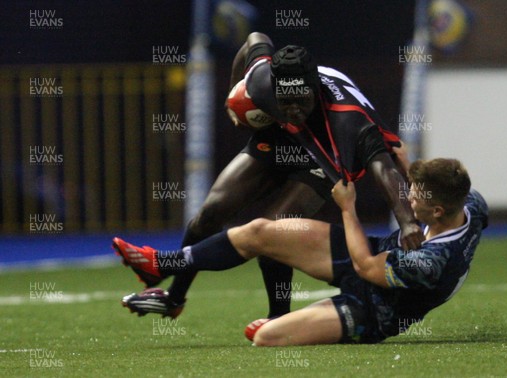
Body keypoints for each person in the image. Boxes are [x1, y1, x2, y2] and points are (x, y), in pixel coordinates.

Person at [152, 32, 423, 319]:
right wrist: (233, 96)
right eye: (286, 100)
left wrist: (407, 222)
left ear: (315, 90)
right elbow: (255, 38)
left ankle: (278, 319)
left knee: (275, 232)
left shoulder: (348, 118)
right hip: (282, 138)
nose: (293, 108)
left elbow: (384, 167)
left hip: (323, 156)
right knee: (210, 213)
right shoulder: (261, 82)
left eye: (300, 100)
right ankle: (174, 297)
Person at [115, 158, 488, 345]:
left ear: (437, 211)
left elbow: (366, 268)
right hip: (380, 251)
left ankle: (280, 322)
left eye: (415, 195)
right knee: (260, 231)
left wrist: (347, 206)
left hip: (374, 309)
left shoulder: (433, 262)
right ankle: (161, 264)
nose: (407, 197)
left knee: (266, 338)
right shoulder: (470, 203)